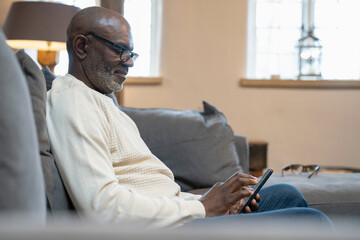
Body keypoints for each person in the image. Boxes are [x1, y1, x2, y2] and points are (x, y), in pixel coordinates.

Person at [46, 6, 332, 229]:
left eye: (131, 52)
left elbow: (149, 191)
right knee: (310, 222)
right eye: (120, 51)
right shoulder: (72, 99)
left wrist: (213, 201)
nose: (130, 62)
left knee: (286, 194)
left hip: (181, 219)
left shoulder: (102, 99)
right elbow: (103, 208)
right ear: (82, 47)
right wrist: (204, 208)